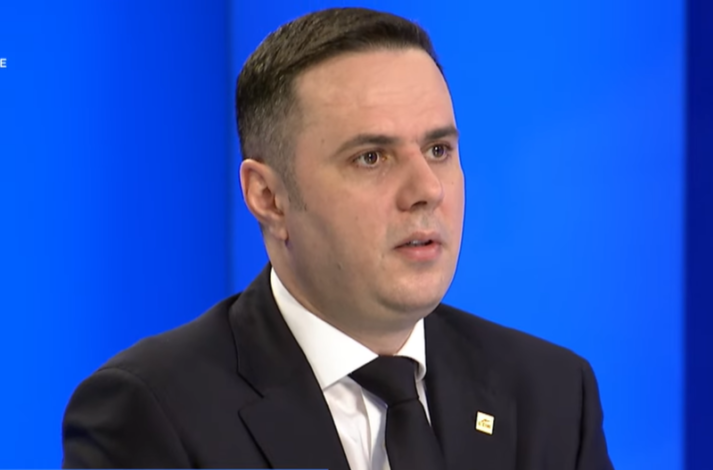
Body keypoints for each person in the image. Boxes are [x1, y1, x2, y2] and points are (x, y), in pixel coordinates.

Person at [61, 7, 613, 470]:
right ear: (268, 197)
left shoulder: (552, 394)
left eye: (438, 150)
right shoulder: (153, 412)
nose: (427, 189)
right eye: (371, 157)